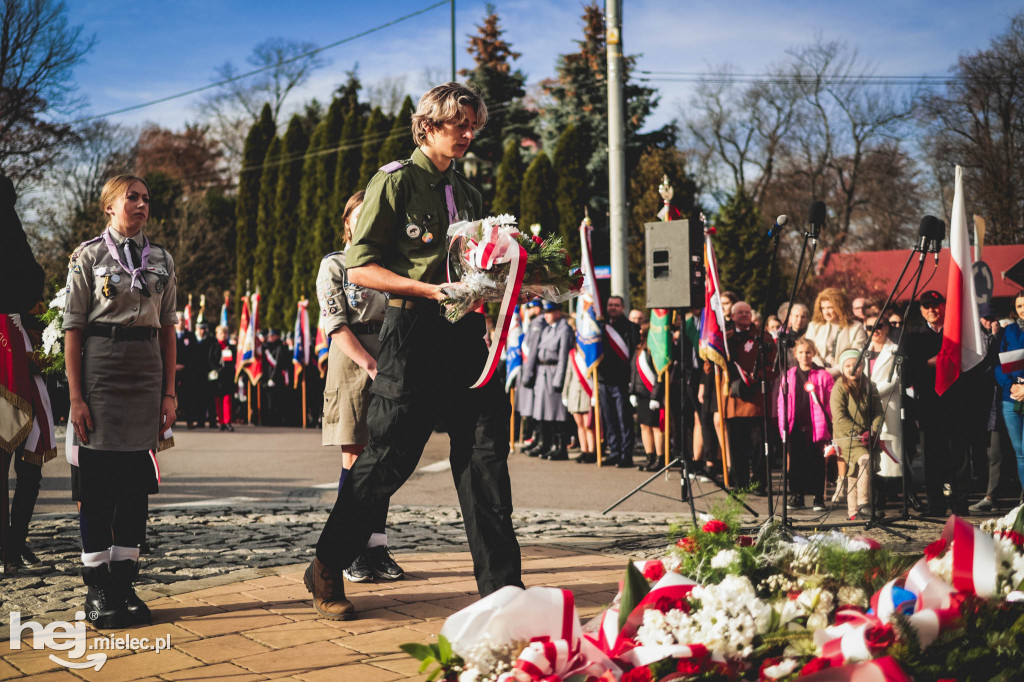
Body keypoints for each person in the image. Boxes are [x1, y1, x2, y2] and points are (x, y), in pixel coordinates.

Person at [307, 83, 522, 619]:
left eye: (475, 126)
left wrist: (516, 283)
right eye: (460, 126)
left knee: (485, 458)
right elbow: (359, 267)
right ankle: (328, 564)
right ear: (426, 126)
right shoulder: (394, 183)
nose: (470, 135)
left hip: (465, 340)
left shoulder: (470, 196)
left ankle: (503, 593)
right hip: (414, 334)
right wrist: (427, 290)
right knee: (387, 459)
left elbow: (475, 272)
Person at [62, 174, 178, 628]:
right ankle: (97, 588)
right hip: (102, 373)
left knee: (134, 487)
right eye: (132, 197)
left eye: (147, 198)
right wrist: (75, 396)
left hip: (146, 373)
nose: (142, 204)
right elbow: (73, 331)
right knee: (97, 488)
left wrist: (169, 392)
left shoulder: (163, 260)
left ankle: (125, 584)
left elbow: (168, 330)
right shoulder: (87, 257)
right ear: (109, 205)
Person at [316, 190, 404, 584]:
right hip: (354, 363)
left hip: (390, 361)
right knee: (354, 461)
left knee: (382, 459)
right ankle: (348, 550)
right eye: (359, 212)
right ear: (347, 221)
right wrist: (369, 363)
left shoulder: (388, 266)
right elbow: (335, 324)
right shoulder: (335, 264)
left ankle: (376, 546)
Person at [0, 173, 50, 572]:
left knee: (27, 453)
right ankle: (10, 543)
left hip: (22, 347)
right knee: (18, 456)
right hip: (12, 344)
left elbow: (35, 287)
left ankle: (13, 541)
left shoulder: (15, 238)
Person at [904, 290, 973, 517]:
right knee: (932, 458)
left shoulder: (957, 334)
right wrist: (929, 364)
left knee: (959, 457)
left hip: (957, 402)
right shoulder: (914, 338)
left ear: (944, 307)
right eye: (927, 306)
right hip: (930, 405)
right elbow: (908, 372)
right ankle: (936, 505)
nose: (932, 310)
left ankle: (960, 504)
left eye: (936, 305)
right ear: (921, 311)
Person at [724, 301, 777, 492]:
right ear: (732, 316)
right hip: (733, 400)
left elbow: (774, 366)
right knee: (736, 446)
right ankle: (740, 483)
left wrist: (757, 377)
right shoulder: (725, 338)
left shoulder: (763, 337)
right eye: (740, 312)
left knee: (758, 447)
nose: (744, 315)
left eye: (747, 312)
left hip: (756, 400)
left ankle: (760, 483)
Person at [777, 338, 833, 511]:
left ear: (813, 353)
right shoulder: (789, 375)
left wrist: (829, 424)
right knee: (796, 462)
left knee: (816, 462)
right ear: (795, 354)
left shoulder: (823, 375)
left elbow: (830, 402)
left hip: (816, 426)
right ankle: (797, 496)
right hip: (795, 425)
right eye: (800, 352)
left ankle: (818, 498)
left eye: (808, 352)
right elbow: (782, 402)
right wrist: (783, 425)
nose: (804, 356)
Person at [831, 348, 885, 521]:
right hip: (847, 437)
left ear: (862, 366)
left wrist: (874, 430)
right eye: (847, 365)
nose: (851, 369)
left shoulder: (870, 385)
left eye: (855, 365)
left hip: (867, 436)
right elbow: (839, 417)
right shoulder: (839, 387)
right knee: (864, 460)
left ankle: (852, 513)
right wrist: (860, 432)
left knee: (854, 473)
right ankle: (864, 504)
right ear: (842, 368)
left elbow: (878, 412)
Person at [523, 302, 572, 461]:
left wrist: (559, 380)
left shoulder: (564, 330)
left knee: (557, 413)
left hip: (553, 373)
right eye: (545, 312)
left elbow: (563, 358)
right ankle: (549, 444)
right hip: (542, 373)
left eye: (549, 312)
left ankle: (560, 447)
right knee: (543, 412)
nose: (546, 315)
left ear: (558, 312)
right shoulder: (548, 329)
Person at [863, 315, 903, 502]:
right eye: (870, 327)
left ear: (887, 328)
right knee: (871, 444)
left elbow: (896, 379)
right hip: (867, 404)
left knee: (890, 445)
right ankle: (875, 490)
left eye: (879, 326)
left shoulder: (895, 350)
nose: (875, 330)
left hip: (888, 402)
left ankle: (892, 489)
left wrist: (873, 393)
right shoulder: (864, 351)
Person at [599, 295, 640, 467]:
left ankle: (626, 454)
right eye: (610, 305)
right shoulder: (601, 326)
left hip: (622, 380)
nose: (613, 308)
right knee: (609, 420)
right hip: (603, 380)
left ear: (623, 308)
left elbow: (632, 354)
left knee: (624, 420)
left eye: (616, 305)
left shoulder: (631, 327)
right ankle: (614, 452)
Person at [995, 290, 1024, 504]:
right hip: (1011, 397)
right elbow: (998, 364)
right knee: (1020, 452)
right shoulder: (1008, 331)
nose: (1023, 310)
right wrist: (1011, 386)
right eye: (1020, 306)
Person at [804, 288, 868, 379]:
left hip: (845, 377)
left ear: (840, 308)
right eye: (823, 308)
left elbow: (857, 353)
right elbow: (808, 350)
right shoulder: (814, 326)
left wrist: (835, 371)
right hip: (817, 375)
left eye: (830, 307)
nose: (826, 312)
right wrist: (821, 370)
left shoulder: (856, 327)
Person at [629, 333, 666, 472]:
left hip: (652, 395)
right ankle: (650, 457)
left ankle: (660, 458)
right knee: (644, 427)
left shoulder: (654, 352)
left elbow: (659, 375)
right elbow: (633, 372)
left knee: (656, 427)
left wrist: (656, 396)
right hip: (641, 395)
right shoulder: (638, 351)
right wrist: (632, 391)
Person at [518, 300, 545, 454]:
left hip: (534, 372)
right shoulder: (532, 323)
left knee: (538, 410)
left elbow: (533, 351)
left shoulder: (538, 324)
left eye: (532, 306)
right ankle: (535, 439)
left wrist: (528, 375)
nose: (528, 309)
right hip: (532, 371)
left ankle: (539, 441)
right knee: (534, 410)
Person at [562, 353, 596, 464]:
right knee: (580, 425)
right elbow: (568, 374)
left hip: (587, 392)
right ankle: (584, 450)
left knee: (588, 425)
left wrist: (595, 393)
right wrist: (565, 393)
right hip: (574, 393)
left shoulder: (589, 351)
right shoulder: (572, 354)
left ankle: (592, 451)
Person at [208, 325, 236, 431]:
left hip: (227, 377)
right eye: (221, 333)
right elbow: (210, 360)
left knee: (227, 399)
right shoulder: (214, 347)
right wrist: (217, 369)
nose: (223, 335)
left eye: (225, 333)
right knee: (218, 400)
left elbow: (232, 362)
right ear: (217, 335)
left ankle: (228, 421)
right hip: (217, 378)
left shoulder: (231, 347)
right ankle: (221, 422)